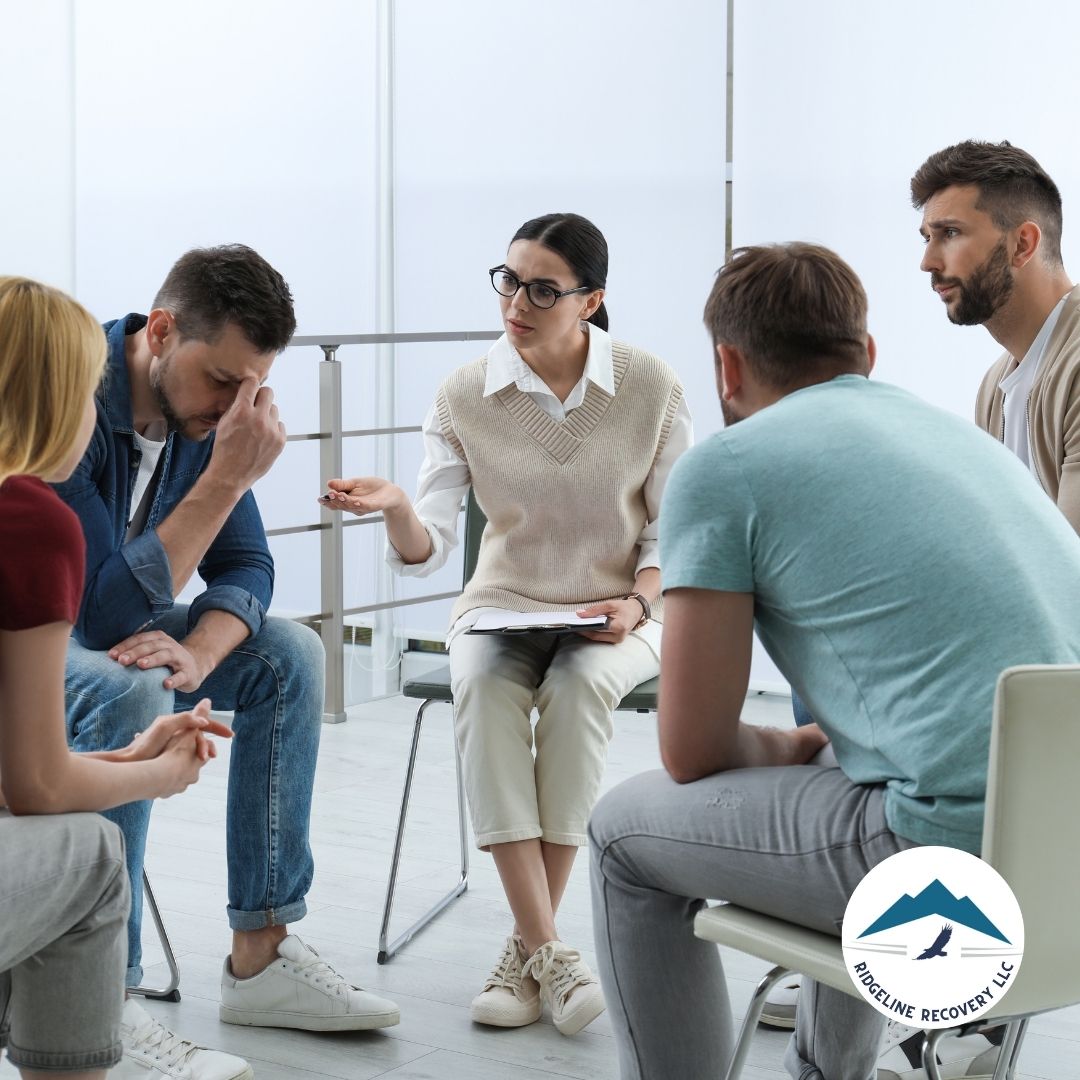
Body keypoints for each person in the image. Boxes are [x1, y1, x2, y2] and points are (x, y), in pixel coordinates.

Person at [587, 242, 1080, 1080]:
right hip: (1064, 858)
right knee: (869, 777)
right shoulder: (957, 438)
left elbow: (690, 749)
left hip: (954, 876)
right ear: (868, 355)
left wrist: (785, 745)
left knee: (619, 837)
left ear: (727, 366)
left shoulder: (728, 467)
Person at [323, 212, 691, 1036]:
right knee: (481, 688)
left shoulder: (651, 386)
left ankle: (527, 946)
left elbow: (676, 530)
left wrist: (635, 603)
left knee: (581, 685)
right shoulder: (464, 394)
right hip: (504, 608)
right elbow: (430, 548)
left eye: (543, 289)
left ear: (592, 300)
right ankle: (551, 950)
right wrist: (392, 512)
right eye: (509, 279)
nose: (516, 302)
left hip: (621, 612)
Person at [54, 245, 399, 1080]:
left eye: (253, 387)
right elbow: (98, 611)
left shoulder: (202, 412)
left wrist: (200, 648)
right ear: (161, 333)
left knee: (290, 655)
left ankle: (262, 957)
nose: (235, 406)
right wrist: (222, 481)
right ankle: (102, 998)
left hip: (111, 620)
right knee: (129, 683)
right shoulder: (70, 395)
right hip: (32, 629)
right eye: (222, 381)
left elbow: (246, 568)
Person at [0, 276, 226, 1079]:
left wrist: (129, 759)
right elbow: (30, 789)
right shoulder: (30, 522)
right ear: (60, 399)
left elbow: (10, 780)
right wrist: (157, 777)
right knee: (93, 858)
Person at [913, 139, 1079, 532]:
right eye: (927, 237)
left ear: (1022, 244)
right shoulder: (995, 389)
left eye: (950, 233)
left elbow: (1070, 571)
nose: (928, 262)